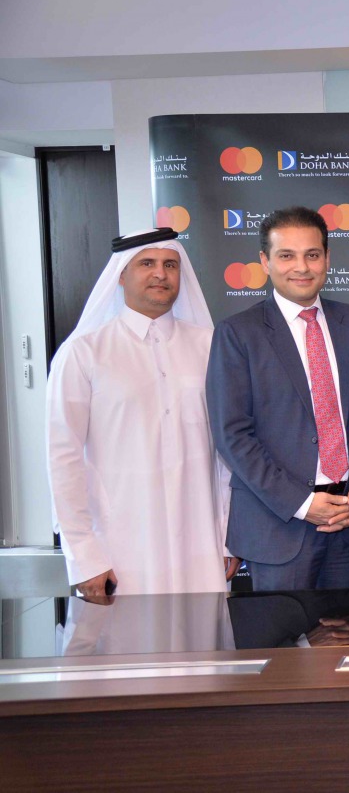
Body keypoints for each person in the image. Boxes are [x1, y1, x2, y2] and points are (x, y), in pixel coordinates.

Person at [207, 206, 349, 590]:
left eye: (312, 254)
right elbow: (233, 436)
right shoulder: (237, 334)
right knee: (285, 648)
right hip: (279, 527)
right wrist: (303, 504)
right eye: (286, 255)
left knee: (347, 641)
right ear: (265, 261)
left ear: (327, 258)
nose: (302, 267)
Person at [47, 228, 233, 596]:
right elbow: (62, 458)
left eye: (170, 264)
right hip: (119, 551)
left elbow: (226, 453)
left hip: (201, 545)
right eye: (146, 263)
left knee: (204, 648)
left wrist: (229, 536)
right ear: (120, 275)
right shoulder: (84, 352)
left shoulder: (210, 346)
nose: (160, 274)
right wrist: (84, 557)